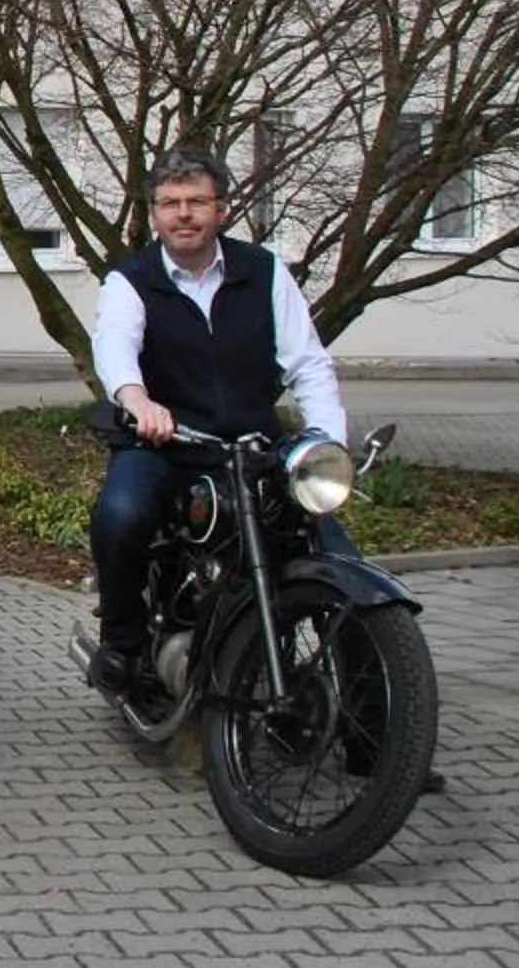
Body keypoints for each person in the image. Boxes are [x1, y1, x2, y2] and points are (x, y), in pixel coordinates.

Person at [85, 145, 346, 696]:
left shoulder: (264, 272)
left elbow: (310, 364)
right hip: (165, 445)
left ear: (221, 210)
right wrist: (139, 403)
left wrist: (327, 445)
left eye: (197, 201)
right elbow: (115, 351)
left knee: (338, 555)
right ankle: (123, 644)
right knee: (121, 513)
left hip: (253, 447)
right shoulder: (130, 281)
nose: (184, 214)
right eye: (171, 203)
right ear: (154, 214)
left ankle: (376, 736)